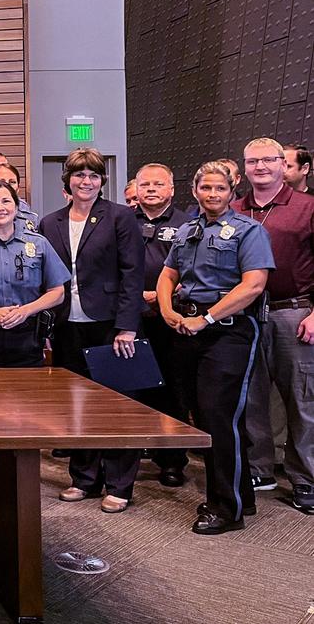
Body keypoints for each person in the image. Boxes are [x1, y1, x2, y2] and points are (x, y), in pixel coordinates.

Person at [158, 161, 274, 534]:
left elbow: (253, 285)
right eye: (206, 188)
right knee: (209, 417)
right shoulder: (186, 230)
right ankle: (243, 496)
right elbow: (168, 274)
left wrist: (206, 318)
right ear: (195, 191)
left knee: (217, 418)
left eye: (220, 189)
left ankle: (226, 509)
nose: (212, 194)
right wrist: (165, 310)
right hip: (188, 329)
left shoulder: (248, 231)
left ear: (231, 192)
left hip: (228, 331)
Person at [39, 148, 145, 514]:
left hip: (110, 327)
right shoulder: (49, 222)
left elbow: (133, 274)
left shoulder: (119, 217)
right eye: (79, 175)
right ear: (66, 180)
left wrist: (127, 327)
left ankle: (119, 484)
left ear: (102, 181)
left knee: (118, 406)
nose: (86, 182)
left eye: (94, 176)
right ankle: (84, 477)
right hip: (68, 325)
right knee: (76, 404)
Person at [232, 138, 314, 514]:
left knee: (302, 400)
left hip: (293, 313)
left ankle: (304, 479)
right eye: (252, 161)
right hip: (246, 314)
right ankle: (259, 469)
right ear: (244, 168)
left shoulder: (307, 208)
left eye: (268, 160)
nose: (260, 166)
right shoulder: (233, 210)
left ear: (284, 165)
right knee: (250, 398)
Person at [0, 180, 69, 368]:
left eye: (6, 201)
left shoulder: (39, 244)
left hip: (28, 342)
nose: (0, 208)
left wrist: (25, 311)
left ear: (16, 207)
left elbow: (58, 293)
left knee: (28, 396)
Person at [131, 163, 193, 486]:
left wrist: (161, 296)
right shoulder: (123, 221)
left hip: (170, 320)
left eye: (159, 183)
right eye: (145, 184)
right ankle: (135, 454)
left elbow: (193, 271)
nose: (151, 189)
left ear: (172, 189)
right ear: (136, 189)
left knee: (173, 391)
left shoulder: (187, 223)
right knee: (134, 389)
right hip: (131, 319)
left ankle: (173, 460)